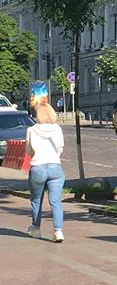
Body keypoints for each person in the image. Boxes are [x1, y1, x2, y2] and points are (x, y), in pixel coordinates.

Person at [25, 103, 66, 242]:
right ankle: (58, 231)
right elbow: (61, 147)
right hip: (55, 166)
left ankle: (36, 229)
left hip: (38, 167)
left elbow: (28, 150)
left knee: (36, 200)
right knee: (56, 201)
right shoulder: (57, 128)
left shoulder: (31, 130)